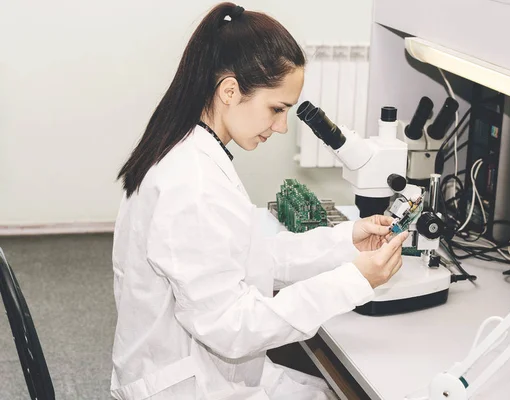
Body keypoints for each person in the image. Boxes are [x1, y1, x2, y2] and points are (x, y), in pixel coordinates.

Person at [110, 3, 409, 399]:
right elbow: (233, 329)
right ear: (230, 91)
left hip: (200, 370)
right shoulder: (193, 184)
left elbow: (255, 253)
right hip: (188, 384)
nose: (282, 126)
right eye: (276, 108)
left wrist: (346, 240)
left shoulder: (192, 149)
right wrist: (354, 281)